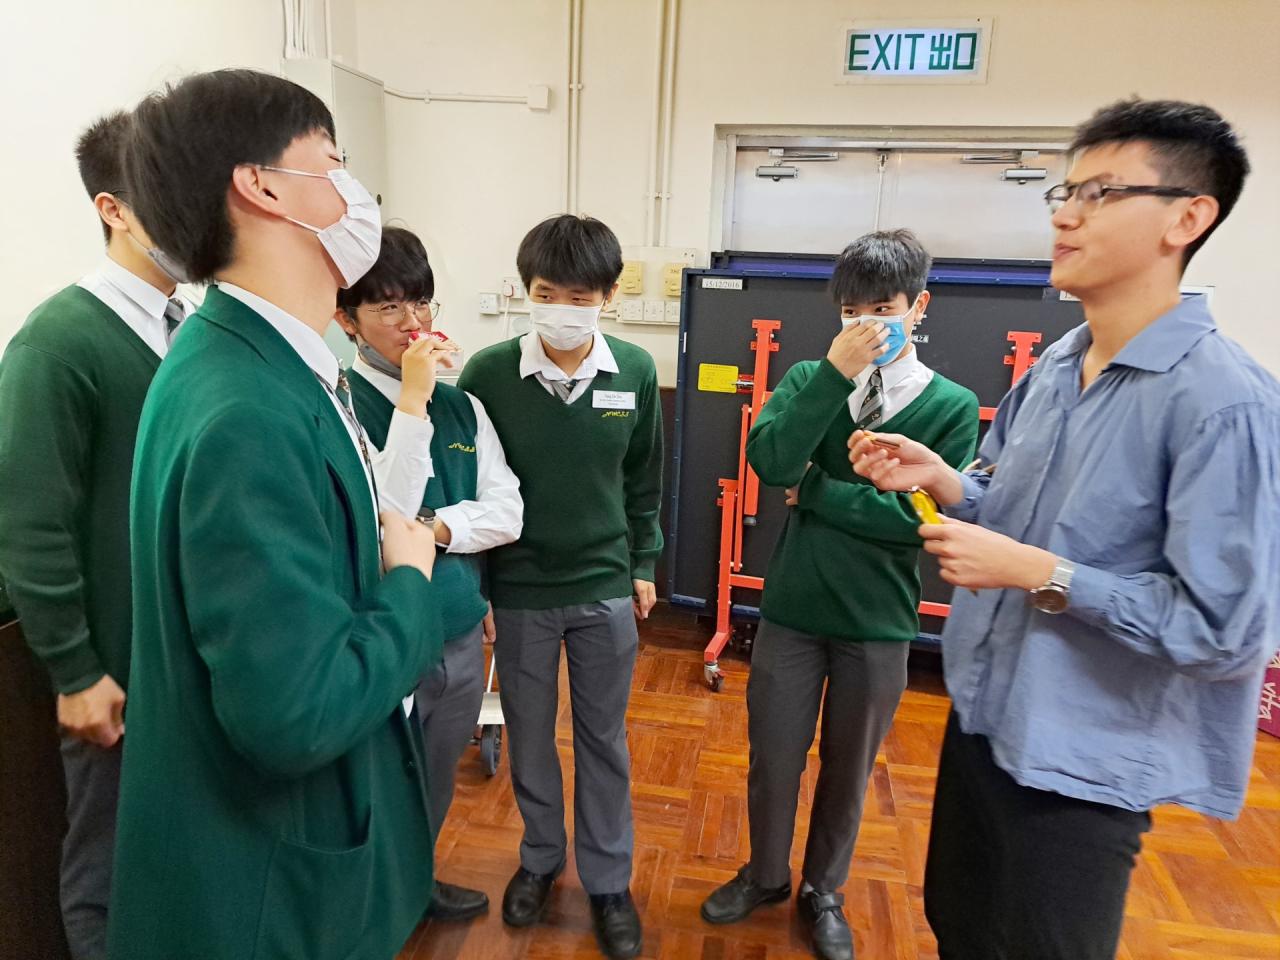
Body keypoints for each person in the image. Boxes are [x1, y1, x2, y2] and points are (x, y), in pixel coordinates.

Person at [851, 98, 1279, 960]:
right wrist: (946, 483)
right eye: (1065, 191)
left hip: (1084, 764)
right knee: (960, 927)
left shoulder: (1224, 403)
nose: (1066, 215)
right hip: (984, 717)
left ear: (1188, 219)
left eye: (1102, 193)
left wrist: (1039, 573)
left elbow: (1226, 632)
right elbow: (1001, 497)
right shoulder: (1057, 364)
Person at [106, 69, 445, 960]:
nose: (353, 190)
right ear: (261, 187)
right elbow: (297, 713)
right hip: (265, 888)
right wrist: (410, 585)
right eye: (331, 160)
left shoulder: (265, 358)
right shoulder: (245, 407)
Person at [700, 229, 979, 960]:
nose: (866, 325)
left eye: (882, 309)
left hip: (878, 621)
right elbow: (771, 462)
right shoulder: (809, 379)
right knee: (774, 756)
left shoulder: (951, 405)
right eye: (851, 310)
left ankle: (824, 889)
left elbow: (922, 520)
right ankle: (764, 875)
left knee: (849, 768)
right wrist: (831, 376)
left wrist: (818, 491)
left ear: (918, 307)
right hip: (793, 610)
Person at [0, 110, 189, 960]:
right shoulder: (59, 341)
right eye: (168, 193)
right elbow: (30, 523)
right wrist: (75, 670)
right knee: (105, 875)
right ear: (113, 209)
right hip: (114, 669)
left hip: (182, 661)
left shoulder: (187, 329)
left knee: (173, 863)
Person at [457, 214, 663, 959]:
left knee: (604, 738)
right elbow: (472, 489)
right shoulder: (486, 375)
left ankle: (609, 882)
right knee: (531, 735)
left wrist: (644, 564)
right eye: (548, 293)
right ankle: (541, 859)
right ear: (526, 291)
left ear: (607, 297)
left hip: (605, 584)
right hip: (520, 590)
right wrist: (480, 589)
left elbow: (644, 479)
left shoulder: (635, 371)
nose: (563, 309)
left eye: (581, 297)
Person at [337, 225, 524, 923]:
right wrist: (411, 401)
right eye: (388, 307)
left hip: (457, 628)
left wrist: (437, 528)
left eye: (420, 302)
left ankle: (414, 884)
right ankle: (365, 905)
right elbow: (383, 515)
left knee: (436, 773)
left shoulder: (464, 406)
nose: (412, 323)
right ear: (346, 321)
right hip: (380, 634)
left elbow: (507, 511)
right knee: (376, 781)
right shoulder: (339, 402)